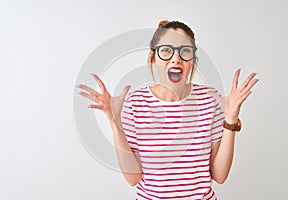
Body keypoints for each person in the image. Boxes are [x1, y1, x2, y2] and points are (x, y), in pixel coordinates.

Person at [77, 20, 259, 200]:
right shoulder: (136, 103)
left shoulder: (210, 100)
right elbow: (133, 178)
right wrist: (114, 121)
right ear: (153, 58)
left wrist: (231, 119)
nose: (176, 58)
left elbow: (219, 176)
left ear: (193, 59)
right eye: (166, 50)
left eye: (185, 51)